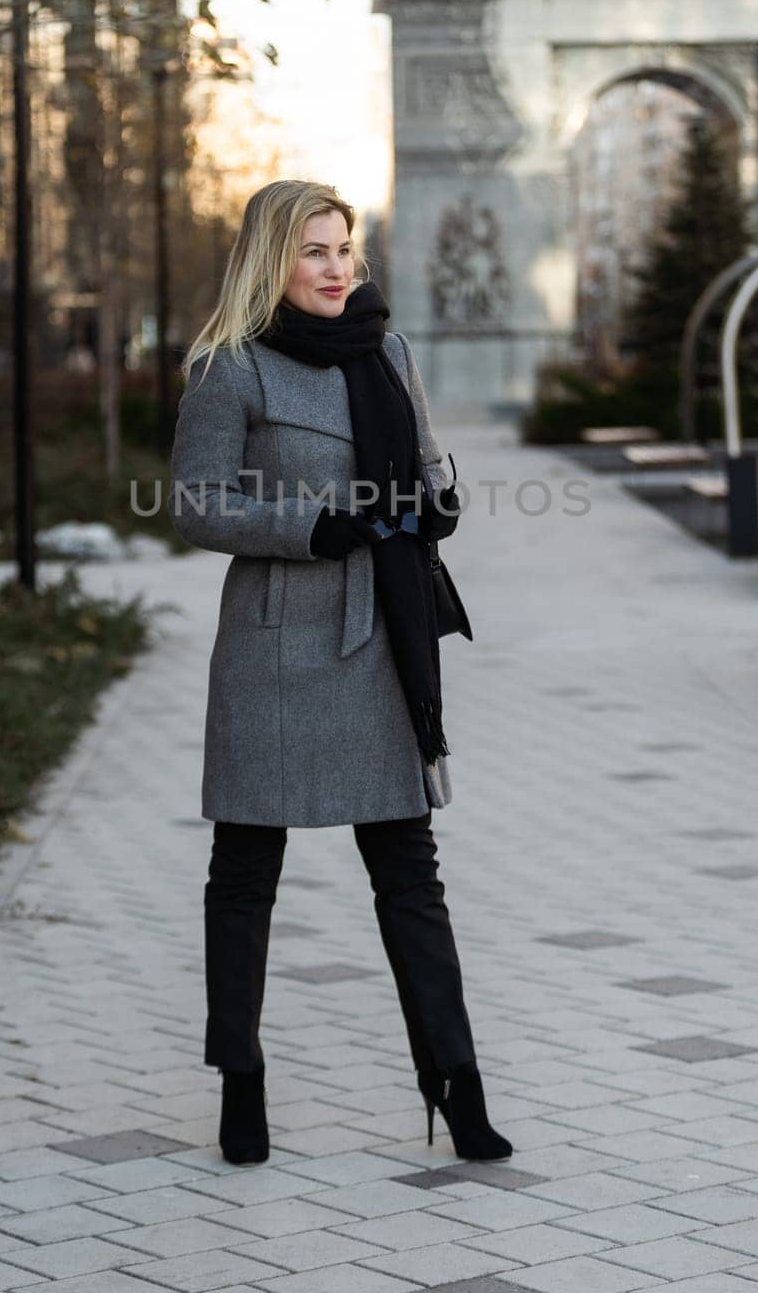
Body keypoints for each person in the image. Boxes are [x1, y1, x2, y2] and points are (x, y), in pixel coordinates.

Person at [169, 179, 511, 1167]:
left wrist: (436, 499)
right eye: (313, 250)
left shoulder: (385, 351)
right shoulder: (231, 368)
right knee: (245, 872)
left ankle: (456, 1086)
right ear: (271, 260)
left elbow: (433, 463)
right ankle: (240, 1078)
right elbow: (195, 504)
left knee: (409, 873)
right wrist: (312, 525)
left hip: (380, 645)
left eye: (343, 248)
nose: (334, 268)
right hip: (276, 647)